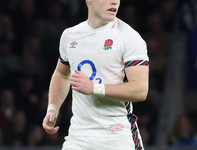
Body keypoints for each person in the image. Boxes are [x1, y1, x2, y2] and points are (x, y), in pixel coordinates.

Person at [42, 0, 149, 150]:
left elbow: (140, 89)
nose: (114, 2)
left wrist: (95, 88)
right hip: (79, 137)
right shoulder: (70, 35)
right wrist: (53, 109)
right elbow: (61, 73)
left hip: (117, 136)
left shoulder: (129, 37)